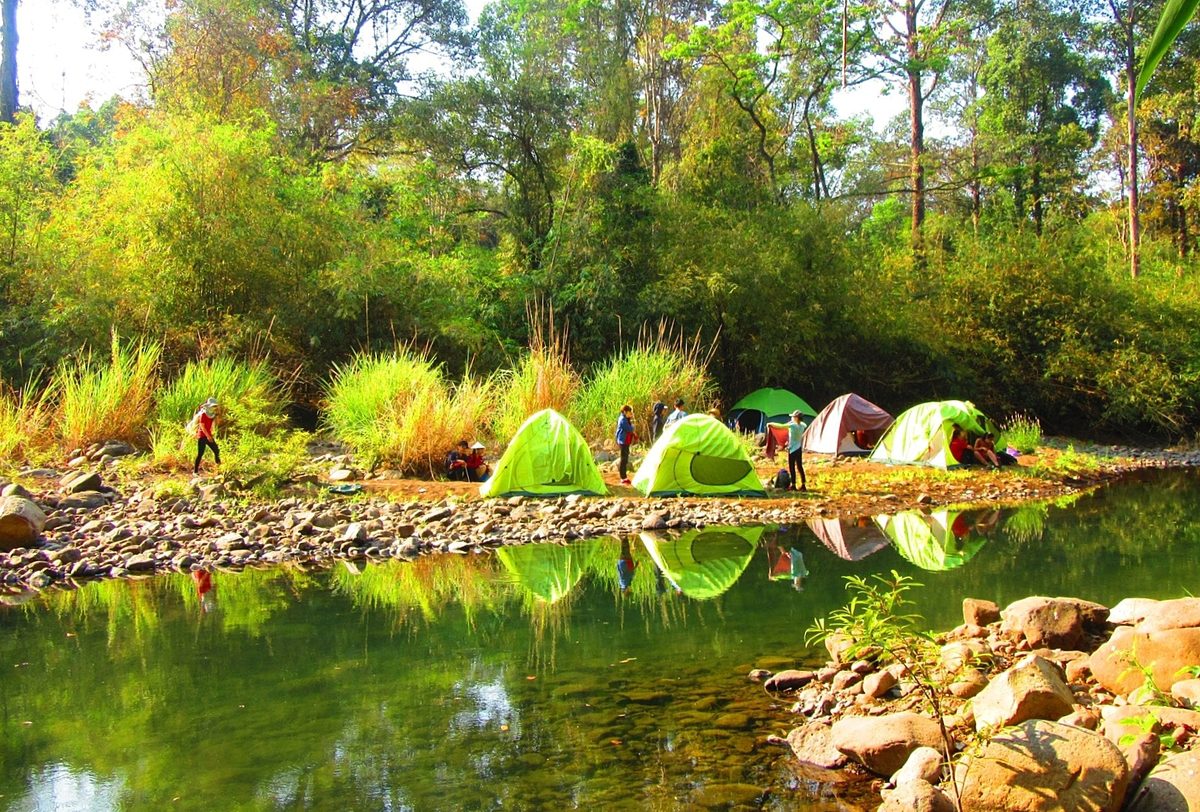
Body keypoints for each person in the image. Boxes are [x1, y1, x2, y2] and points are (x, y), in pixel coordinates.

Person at [768, 410, 808, 491]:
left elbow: (781, 426)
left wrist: (770, 423)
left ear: (796, 418)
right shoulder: (803, 425)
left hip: (792, 449)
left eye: (793, 417)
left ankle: (793, 485)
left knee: (792, 467)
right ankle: (803, 485)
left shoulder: (793, 425)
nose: (792, 418)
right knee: (800, 467)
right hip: (799, 448)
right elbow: (802, 423)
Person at [192, 398, 221, 475]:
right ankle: (195, 472)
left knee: (216, 450)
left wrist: (217, 414)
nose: (214, 407)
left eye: (215, 406)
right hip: (202, 436)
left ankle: (219, 469)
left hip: (209, 435)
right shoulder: (203, 414)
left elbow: (218, 423)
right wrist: (208, 436)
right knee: (200, 454)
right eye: (213, 406)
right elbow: (202, 426)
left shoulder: (212, 415)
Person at [615, 404, 636, 485]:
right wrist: (633, 426)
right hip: (623, 441)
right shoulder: (623, 420)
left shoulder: (625, 419)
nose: (630, 413)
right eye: (629, 412)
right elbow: (629, 429)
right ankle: (623, 477)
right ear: (625, 412)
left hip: (624, 441)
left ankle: (624, 477)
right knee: (624, 459)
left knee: (625, 458)